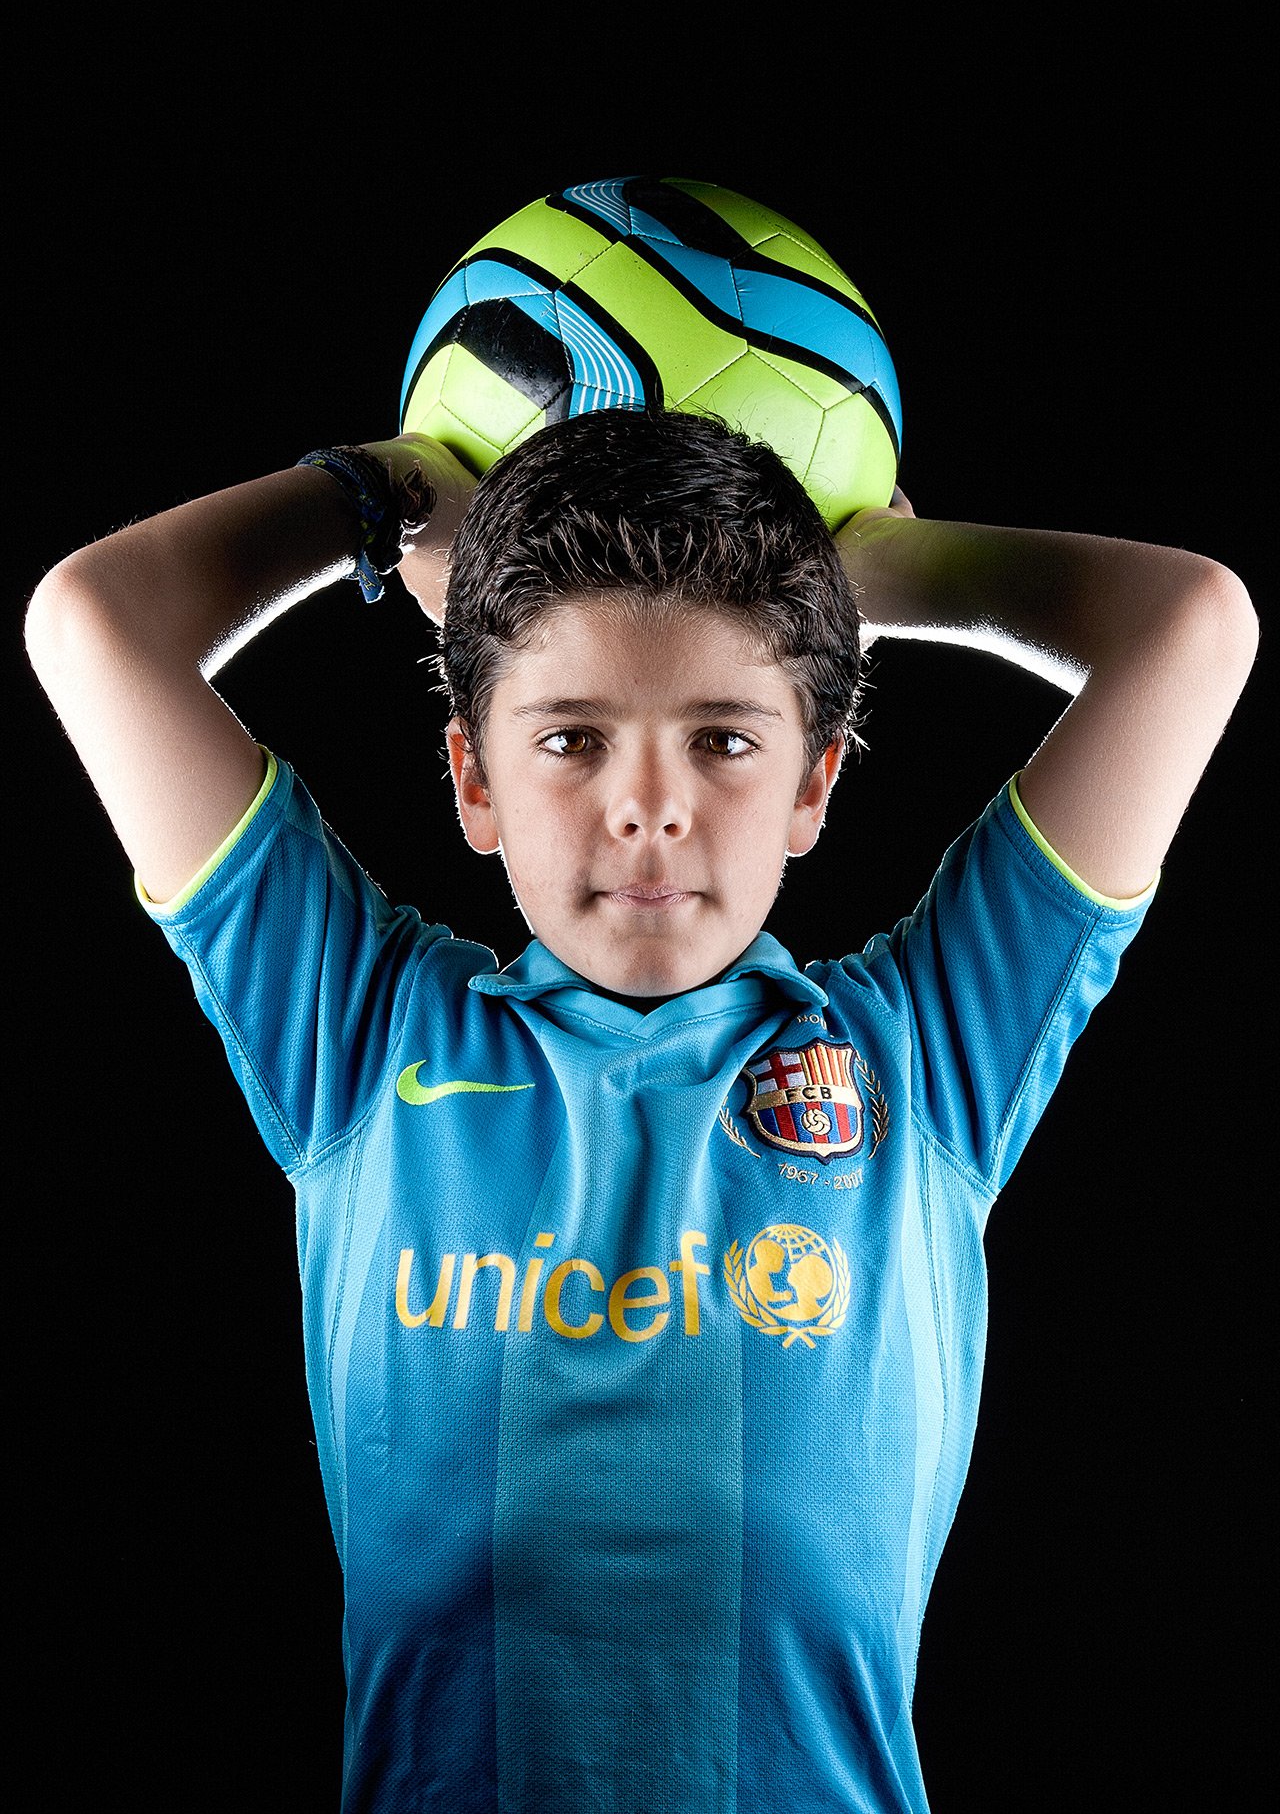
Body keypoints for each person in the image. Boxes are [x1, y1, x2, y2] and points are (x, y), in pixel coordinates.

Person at [24, 402, 1257, 1812]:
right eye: (572, 740)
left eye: (725, 739)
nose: (650, 807)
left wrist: (867, 581)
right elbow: (90, 625)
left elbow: (1195, 627)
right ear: (473, 779)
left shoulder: (924, 1055)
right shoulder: (361, 1038)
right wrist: (376, 499)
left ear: (817, 781)